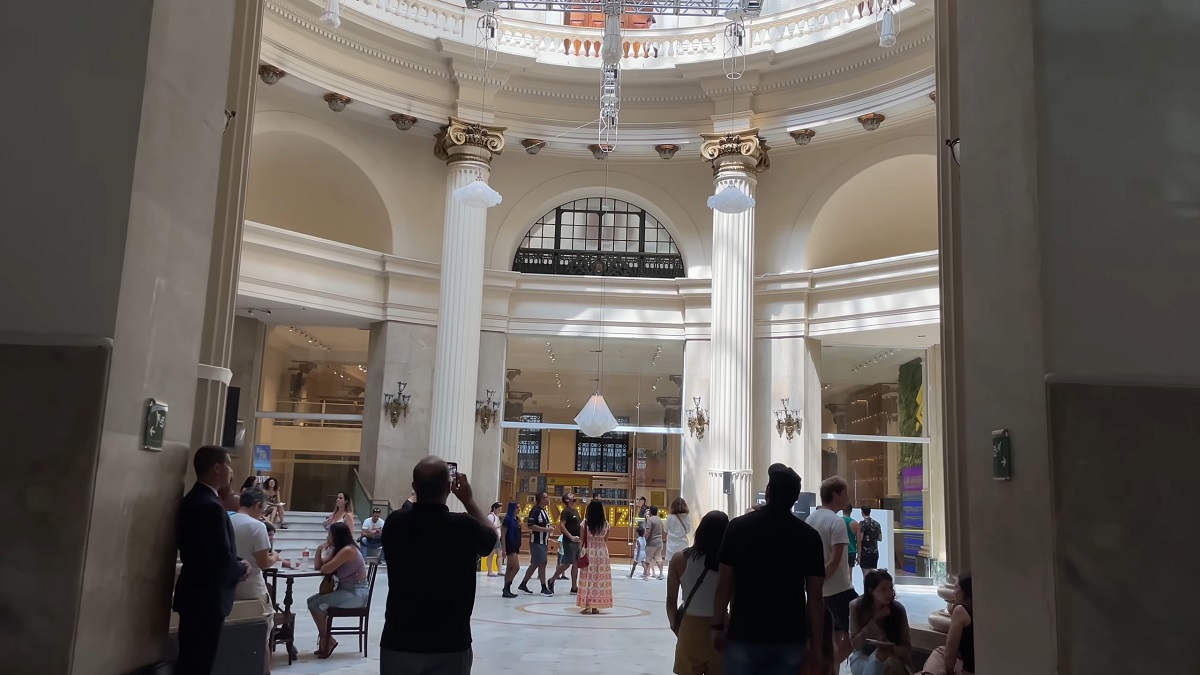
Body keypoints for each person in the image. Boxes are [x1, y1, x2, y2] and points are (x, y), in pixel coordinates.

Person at [379, 456, 497, 674]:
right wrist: (469, 500)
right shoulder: (464, 526)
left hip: (400, 639)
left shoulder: (395, 523)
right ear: (449, 487)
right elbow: (491, 539)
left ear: (414, 487)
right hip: (450, 642)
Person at [712, 463, 826, 675]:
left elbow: (724, 584)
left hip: (745, 633)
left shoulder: (738, 528)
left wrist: (717, 625)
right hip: (790, 636)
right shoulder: (809, 537)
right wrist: (817, 647)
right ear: (795, 498)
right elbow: (815, 598)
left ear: (768, 492)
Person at [173, 446, 251, 675]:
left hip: (196, 595)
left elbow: (208, 548)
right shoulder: (209, 506)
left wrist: (234, 562)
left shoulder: (197, 499)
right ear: (217, 467)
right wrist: (241, 568)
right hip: (206, 597)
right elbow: (217, 558)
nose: (231, 471)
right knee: (199, 662)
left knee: (191, 658)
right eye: (228, 465)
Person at [667, 510, 728, 675]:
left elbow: (671, 601)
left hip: (690, 627)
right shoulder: (729, 565)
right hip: (721, 626)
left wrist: (675, 626)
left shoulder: (680, 559)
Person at [807, 476, 858, 664]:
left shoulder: (810, 519)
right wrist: (821, 578)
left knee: (832, 636)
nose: (847, 497)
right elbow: (835, 560)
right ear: (836, 494)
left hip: (819, 591)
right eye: (845, 493)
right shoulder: (836, 522)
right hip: (839, 589)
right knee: (857, 627)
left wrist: (814, 584)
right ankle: (832, 667)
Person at [230, 489, 280, 674]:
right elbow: (264, 563)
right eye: (263, 509)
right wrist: (274, 556)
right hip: (252, 588)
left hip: (229, 587)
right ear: (258, 505)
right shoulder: (257, 526)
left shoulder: (227, 521)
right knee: (262, 637)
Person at [307, 521, 369, 658]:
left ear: (336, 535)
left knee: (316, 604)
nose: (328, 536)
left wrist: (326, 557)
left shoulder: (348, 550)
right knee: (311, 601)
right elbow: (319, 565)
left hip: (355, 593)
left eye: (329, 534)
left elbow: (325, 569)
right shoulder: (340, 550)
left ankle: (327, 640)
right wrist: (319, 549)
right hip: (345, 590)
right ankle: (327, 639)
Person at [848, 570, 912, 675]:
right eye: (883, 589)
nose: (889, 593)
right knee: (875, 664)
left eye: (891, 588)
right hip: (862, 656)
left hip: (892, 657)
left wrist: (890, 649)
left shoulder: (898, 609)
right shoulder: (857, 607)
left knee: (883, 660)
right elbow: (855, 644)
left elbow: (906, 649)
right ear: (871, 591)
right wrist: (874, 621)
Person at [920, 575, 973, 675]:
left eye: (956, 587)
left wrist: (950, 672)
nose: (953, 592)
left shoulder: (960, 611)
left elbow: (950, 653)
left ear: (965, 592)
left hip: (967, 671)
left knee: (939, 653)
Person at [576, 499, 613, 614]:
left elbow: (582, 540)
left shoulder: (585, 523)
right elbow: (605, 540)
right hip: (602, 553)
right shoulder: (606, 524)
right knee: (599, 578)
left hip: (589, 551)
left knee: (587, 578)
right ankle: (596, 606)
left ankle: (586, 604)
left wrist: (579, 552)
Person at [517, 492, 554, 596]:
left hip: (543, 541)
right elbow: (531, 526)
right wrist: (546, 530)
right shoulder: (535, 511)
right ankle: (543, 587)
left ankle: (523, 584)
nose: (548, 499)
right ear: (541, 499)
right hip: (537, 541)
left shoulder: (544, 511)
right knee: (542, 562)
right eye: (546, 497)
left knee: (536, 563)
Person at [547, 493, 582, 594]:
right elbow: (562, 526)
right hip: (569, 541)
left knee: (576, 563)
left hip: (577, 541)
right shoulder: (566, 511)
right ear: (567, 500)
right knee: (567, 563)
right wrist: (571, 537)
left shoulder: (575, 511)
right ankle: (552, 580)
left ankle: (574, 587)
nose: (574, 495)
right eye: (571, 495)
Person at [501, 501, 522, 598]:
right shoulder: (507, 520)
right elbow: (503, 535)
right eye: (517, 507)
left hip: (515, 545)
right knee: (516, 567)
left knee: (509, 568)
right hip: (510, 546)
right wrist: (504, 549)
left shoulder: (516, 519)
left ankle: (506, 589)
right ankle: (507, 586)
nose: (519, 509)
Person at [858, 506, 882, 573]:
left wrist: (858, 555)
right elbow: (880, 538)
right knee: (873, 574)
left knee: (866, 575)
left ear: (862, 512)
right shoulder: (877, 524)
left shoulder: (862, 524)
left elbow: (860, 539)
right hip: (875, 552)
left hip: (865, 553)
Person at [644, 505, 666, 580]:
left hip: (651, 542)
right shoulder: (660, 520)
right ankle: (661, 573)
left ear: (650, 511)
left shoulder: (650, 520)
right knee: (658, 557)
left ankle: (647, 575)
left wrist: (645, 539)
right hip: (659, 541)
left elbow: (648, 531)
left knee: (648, 558)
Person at [485, 502, 503, 577]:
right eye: (499, 509)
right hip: (492, 537)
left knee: (499, 554)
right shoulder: (491, 516)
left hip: (497, 537)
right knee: (491, 554)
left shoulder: (496, 517)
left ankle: (500, 570)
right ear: (494, 509)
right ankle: (489, 571)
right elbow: (488, 526)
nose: (500, 511)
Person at [844, 504, 860, 572]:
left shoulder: (838, 521)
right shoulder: (855, 524)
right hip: (852, 550)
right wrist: (859, 556)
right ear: (851, 511)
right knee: (849, 572)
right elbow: (859, 541)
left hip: (841, 550)